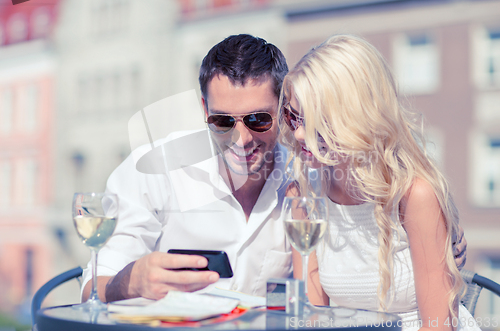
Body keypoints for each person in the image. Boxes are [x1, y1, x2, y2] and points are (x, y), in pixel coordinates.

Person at [81, 34, 467, 302]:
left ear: (285, 110)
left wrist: (442, 239)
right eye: (222, 122)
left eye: (258, 120)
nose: (241, 139)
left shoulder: (310, 179)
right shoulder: (155, 170)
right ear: (204, 112)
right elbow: (90, 291)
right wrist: (130, 282)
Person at [279, 34, 478, 331]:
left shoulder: (414, 195)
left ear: (357, 118)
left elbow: (438, 325)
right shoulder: (304, 195)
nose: (297, 134)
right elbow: (311, 318)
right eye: (293, 117)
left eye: (315, 122)